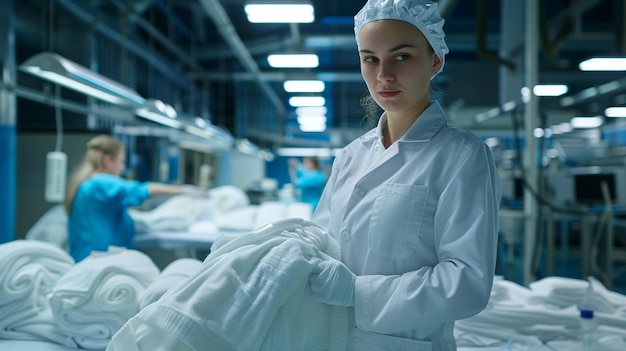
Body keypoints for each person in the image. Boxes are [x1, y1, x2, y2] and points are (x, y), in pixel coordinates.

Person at [307, 1, 502, 350]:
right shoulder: (351, 157)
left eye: (401, 57)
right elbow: (322, 244)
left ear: (434, 61)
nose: (383, 75)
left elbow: (467, 283)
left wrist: (357, 292)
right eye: (370, 58)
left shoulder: (462, 155)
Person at [65, 134, 207, 262]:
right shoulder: (101, 182)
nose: (122, 168)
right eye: (121, 162)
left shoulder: (86, 183)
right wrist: (184, 190)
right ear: (108, 161)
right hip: (97, 261)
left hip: (88, 259)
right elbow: (141, 190)